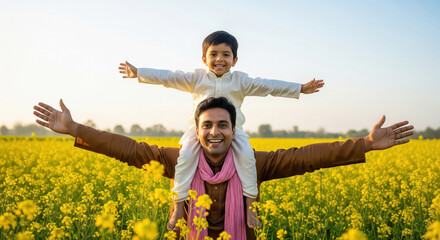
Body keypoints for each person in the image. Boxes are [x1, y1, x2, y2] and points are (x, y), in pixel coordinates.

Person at [33, 97, 413, 240]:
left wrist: (364, 144)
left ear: (234, 130)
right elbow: (128, 149)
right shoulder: (178, 161)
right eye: (207, 125)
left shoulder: (253, 163)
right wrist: (75, 129)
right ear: (196, 131)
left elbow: (307, 157)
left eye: (223, 125)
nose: (215, 132)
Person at [118, 30, 325, 230]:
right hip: (198, 131)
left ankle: (251, 205)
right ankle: (178, 205)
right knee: (185, 158)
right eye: (213, 54)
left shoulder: (240, 81)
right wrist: (139, 73)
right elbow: (169, 77)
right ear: (203, 59)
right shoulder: (195, 78)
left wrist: (299, 88)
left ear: (235, 60)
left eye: (226, 54)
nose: (219, 59)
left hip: (232, 132)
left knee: (246, 157)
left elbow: (268, 86)